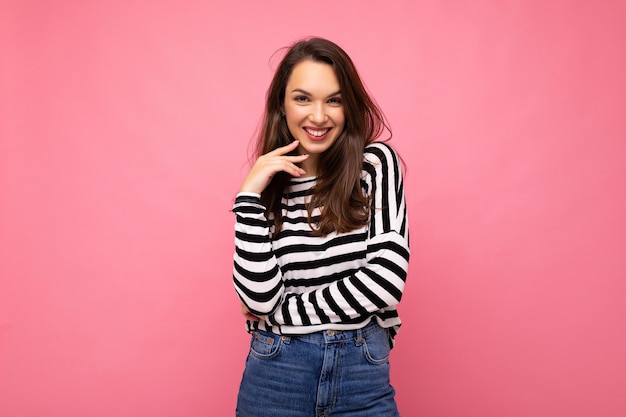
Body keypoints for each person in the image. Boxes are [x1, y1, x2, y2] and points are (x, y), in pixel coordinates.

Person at [232, 37, 410, 417]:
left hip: (361, 371)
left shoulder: (374, 164)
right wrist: (247, 196)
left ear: (349, 105)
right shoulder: (267, 186)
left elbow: (385, 281)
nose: (318, 116)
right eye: (302, 98)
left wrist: (284, 315)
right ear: (281, 104)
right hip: (277, 372)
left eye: (334, 99)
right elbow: (258, 300)